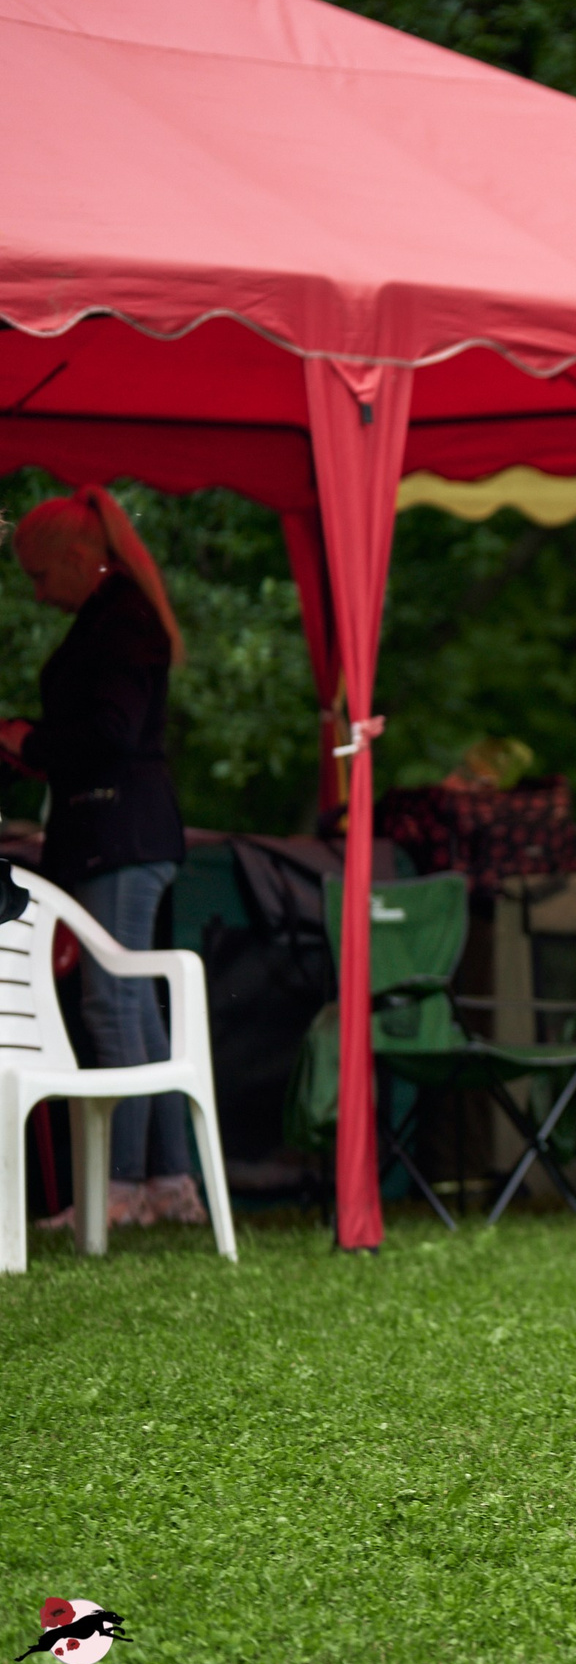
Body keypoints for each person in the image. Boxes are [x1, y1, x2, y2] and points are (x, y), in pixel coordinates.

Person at [2, 489, 205, 1232]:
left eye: (39, 574)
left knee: (111, 1001)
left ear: (73, 557)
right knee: (132, 1004)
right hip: (123, 830)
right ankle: (169, 1180)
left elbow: (112, 731)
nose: (36, 591)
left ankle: (121, 1185)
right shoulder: (118, 616)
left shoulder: (118, 621)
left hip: (118, 830)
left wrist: (34, 743)